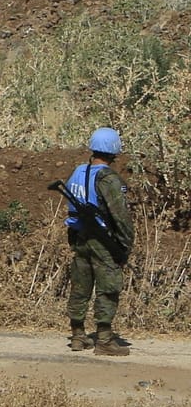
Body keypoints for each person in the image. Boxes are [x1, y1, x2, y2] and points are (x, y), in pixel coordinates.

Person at [63, 127, 134, 355]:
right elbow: (120, 215)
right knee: (108, 287)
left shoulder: (78, 172)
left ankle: (77, 335)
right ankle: (104, 339)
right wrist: (125, 244)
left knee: (80, 286)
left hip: (79, 237)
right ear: (114, 150)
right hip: (103, 240)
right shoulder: (109, 178)